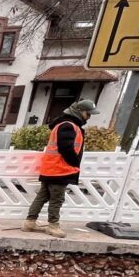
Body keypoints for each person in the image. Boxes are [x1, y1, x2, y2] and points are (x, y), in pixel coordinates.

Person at [23, 99, 99, 239]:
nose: (89, 117)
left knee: (43, 196)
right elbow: (66, 148)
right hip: (60, 169)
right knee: (57, 199)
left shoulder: (63, 124)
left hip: (51, 168)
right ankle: (53, 226)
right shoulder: (68, 126)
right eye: (88, 114)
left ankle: (30, 222)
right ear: (80, 111)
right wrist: (74, 162)